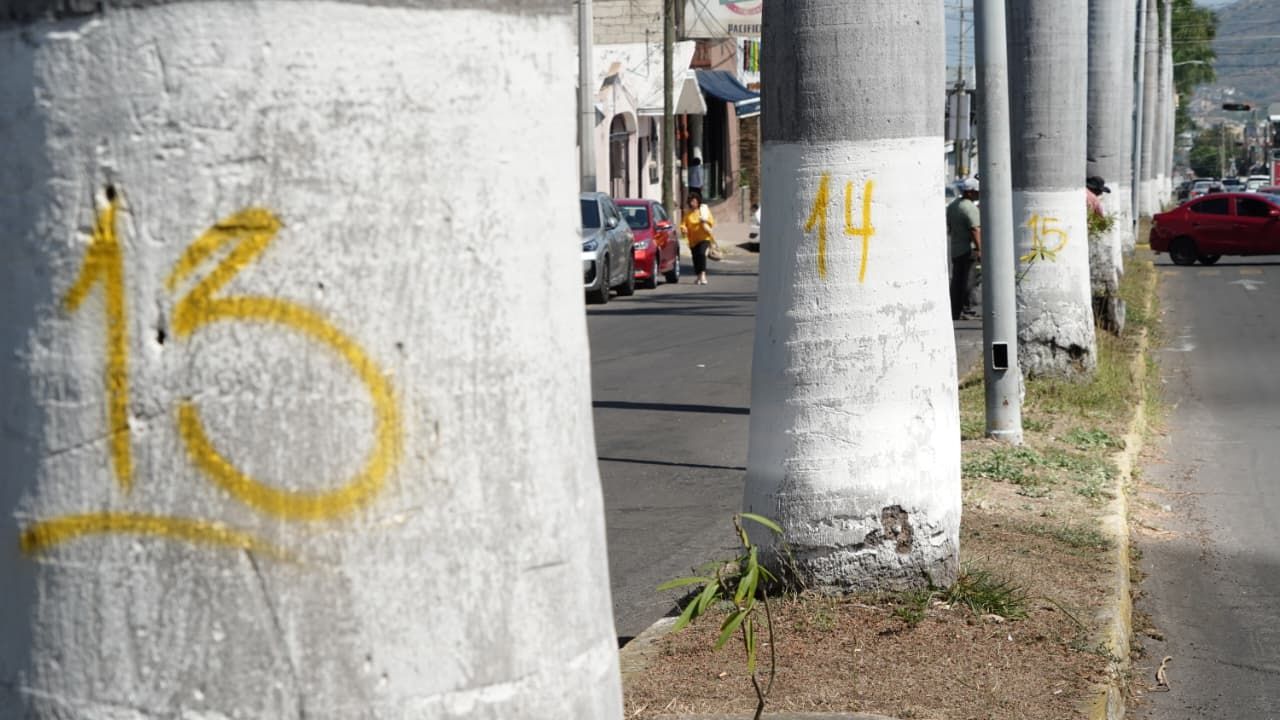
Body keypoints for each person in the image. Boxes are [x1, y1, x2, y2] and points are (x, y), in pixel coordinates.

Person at [946, 177, 982, 320]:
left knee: (957, 281)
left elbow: (949, 227)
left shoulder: (953, 205)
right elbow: (975, 230)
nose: (979, 194)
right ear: (970, 192)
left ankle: (955, 310)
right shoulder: (970, 208)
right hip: (969, 250)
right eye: (977, 191)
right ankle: (967, 310)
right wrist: (980, 249)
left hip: (956, 248)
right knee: (969, 281)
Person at [681, 192, 715, 285]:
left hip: (704, 237)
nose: (693, 203)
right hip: (693, 240)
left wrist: (704, 220)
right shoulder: (688, 214)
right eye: (691, 201)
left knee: (701, 254)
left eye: (695, 201)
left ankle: (703, 275)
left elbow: (711, 221)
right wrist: (684, 229)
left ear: (698, 202)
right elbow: (683, 224)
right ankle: (698, 276)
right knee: (695, 258)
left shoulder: (703, 211)